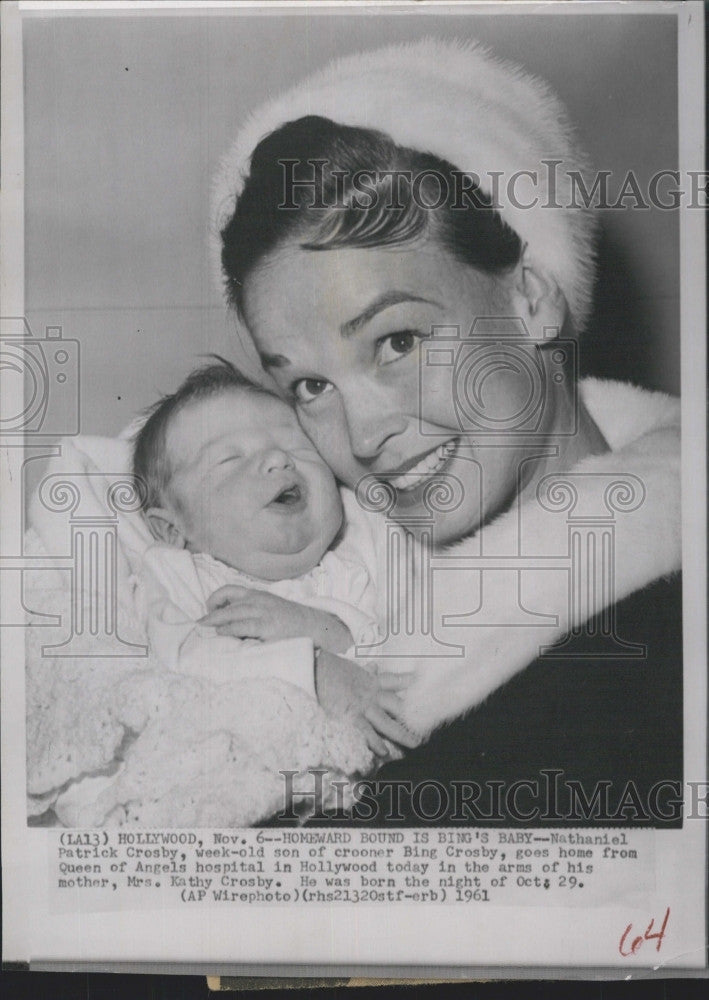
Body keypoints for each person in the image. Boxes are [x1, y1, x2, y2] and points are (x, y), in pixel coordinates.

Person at [211, 39, 682, 823]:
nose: (361, 436)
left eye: (396, 341)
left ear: (531, 300)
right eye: (309, 385)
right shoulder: (319, 599)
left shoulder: (649, 662)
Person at [131, 358, 415, 757]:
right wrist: (312, 672)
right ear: (175, 529)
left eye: (297, 446)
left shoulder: (364, 536)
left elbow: (414, 646)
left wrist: (323, 629)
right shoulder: (180, 573)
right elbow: (183, 661)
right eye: (230, 459)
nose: (279, 460)